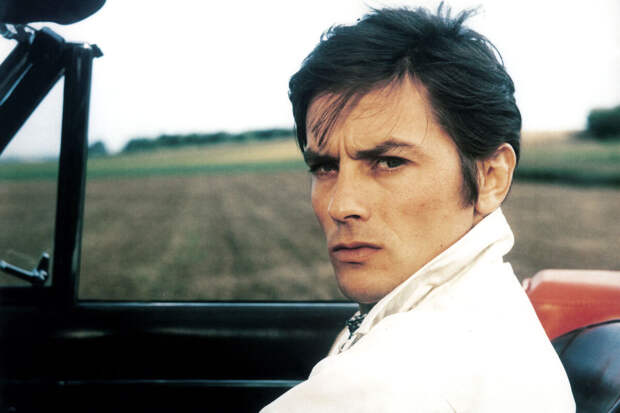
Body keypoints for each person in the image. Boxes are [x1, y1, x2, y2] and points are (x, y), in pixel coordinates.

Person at [261, 4, 575, 412]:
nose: (341, 205)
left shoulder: (385, 384)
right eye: (325, 167)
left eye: (389, 162)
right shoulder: (490, 309)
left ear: (491, 177)